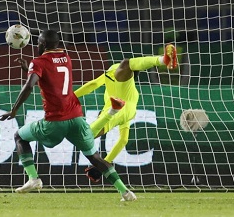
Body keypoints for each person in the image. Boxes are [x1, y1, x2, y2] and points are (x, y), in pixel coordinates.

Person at [0, 30, 137, 201]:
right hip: (77, 118)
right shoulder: (66, 58)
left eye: (38, 43)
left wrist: (14, 110)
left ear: (41, 45)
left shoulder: (39, 61)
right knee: (95, 157)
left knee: (19, 136)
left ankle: (34, 178)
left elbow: (29, 85)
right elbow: (51, 78)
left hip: (55, 121)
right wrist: (29, 69)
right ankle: (125, 192)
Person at [74, 44, 178, 182]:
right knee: (87, 135)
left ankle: (162, 60)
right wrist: (105, 162)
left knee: (126, 63)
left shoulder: (114, 74)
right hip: (124, 111)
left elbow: (92, 84)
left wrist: (69, 97)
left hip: (120, 109)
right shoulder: (129, 89)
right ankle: (161, 60)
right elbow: (123, 140)